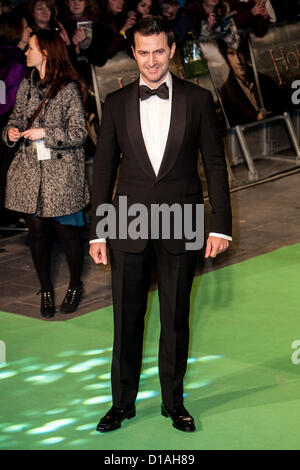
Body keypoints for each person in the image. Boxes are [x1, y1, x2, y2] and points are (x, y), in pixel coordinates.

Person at [89, 17, 232, 433]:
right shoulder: (114, 105)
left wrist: (220, 226)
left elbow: (216, 166)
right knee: (126, 320)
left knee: (175, 319)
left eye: (158, 51)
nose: (151, 60)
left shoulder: (199, 100)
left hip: (183, 219)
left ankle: (174, 402)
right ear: (134, 53)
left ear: (171, 51)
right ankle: (121, 404)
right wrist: (99, 230)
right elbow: (102, 173)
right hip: (127, 222)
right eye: (143, 51)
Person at [2, 30, 90, 318]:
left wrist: (46, 133)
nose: (26, 52)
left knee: (66, 232)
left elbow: (79, 133)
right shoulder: (27, 85)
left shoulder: (68, 89)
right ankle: (46, 289)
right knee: (37, 232)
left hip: (61, 173)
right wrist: (11, 132)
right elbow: (14, 118)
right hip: (31, 172)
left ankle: (76, 285)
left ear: (47, 52)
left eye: (31, 48)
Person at [0, 10, 31, 226]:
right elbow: (16, 98)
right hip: (11, 121)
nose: (30, 30)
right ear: (16, 32)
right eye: (26, 27)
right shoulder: (18, 62)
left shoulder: (4, 56)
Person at [218, 39, 287, 126]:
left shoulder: (266, 81)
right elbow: (232, 124)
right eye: (231, 53)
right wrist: (256, 118)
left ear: (246, 53)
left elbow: (282, 110)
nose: (238, 60)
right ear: (226, 57)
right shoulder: (226, 91)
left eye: (240, 52)